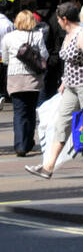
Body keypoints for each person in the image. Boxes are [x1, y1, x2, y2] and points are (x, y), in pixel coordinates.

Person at [26, 3, 83, 180]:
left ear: (64, 19)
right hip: (70, 87)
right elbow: (69, 63)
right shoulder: (68, 35)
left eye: (58, 19)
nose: (57, 22)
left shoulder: (82, 35)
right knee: (61, 124)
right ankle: (48, 167)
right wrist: (64, 81)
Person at [2, 10, 48, 155]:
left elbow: (5, 58)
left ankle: (20, 145)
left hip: (15, 78)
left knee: (19, 112)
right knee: (30, 111)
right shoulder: (38, 35)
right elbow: (45, 54)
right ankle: (28, 142)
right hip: (33, 78)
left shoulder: (8, 37)